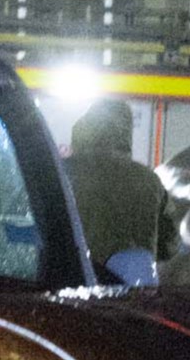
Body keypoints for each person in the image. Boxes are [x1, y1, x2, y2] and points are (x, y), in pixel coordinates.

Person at [60, 98, 176, 282]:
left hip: (74, 283)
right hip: (132, 292)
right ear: (126, 132)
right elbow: (169, 244)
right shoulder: (149, 181)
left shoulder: (64, 172)